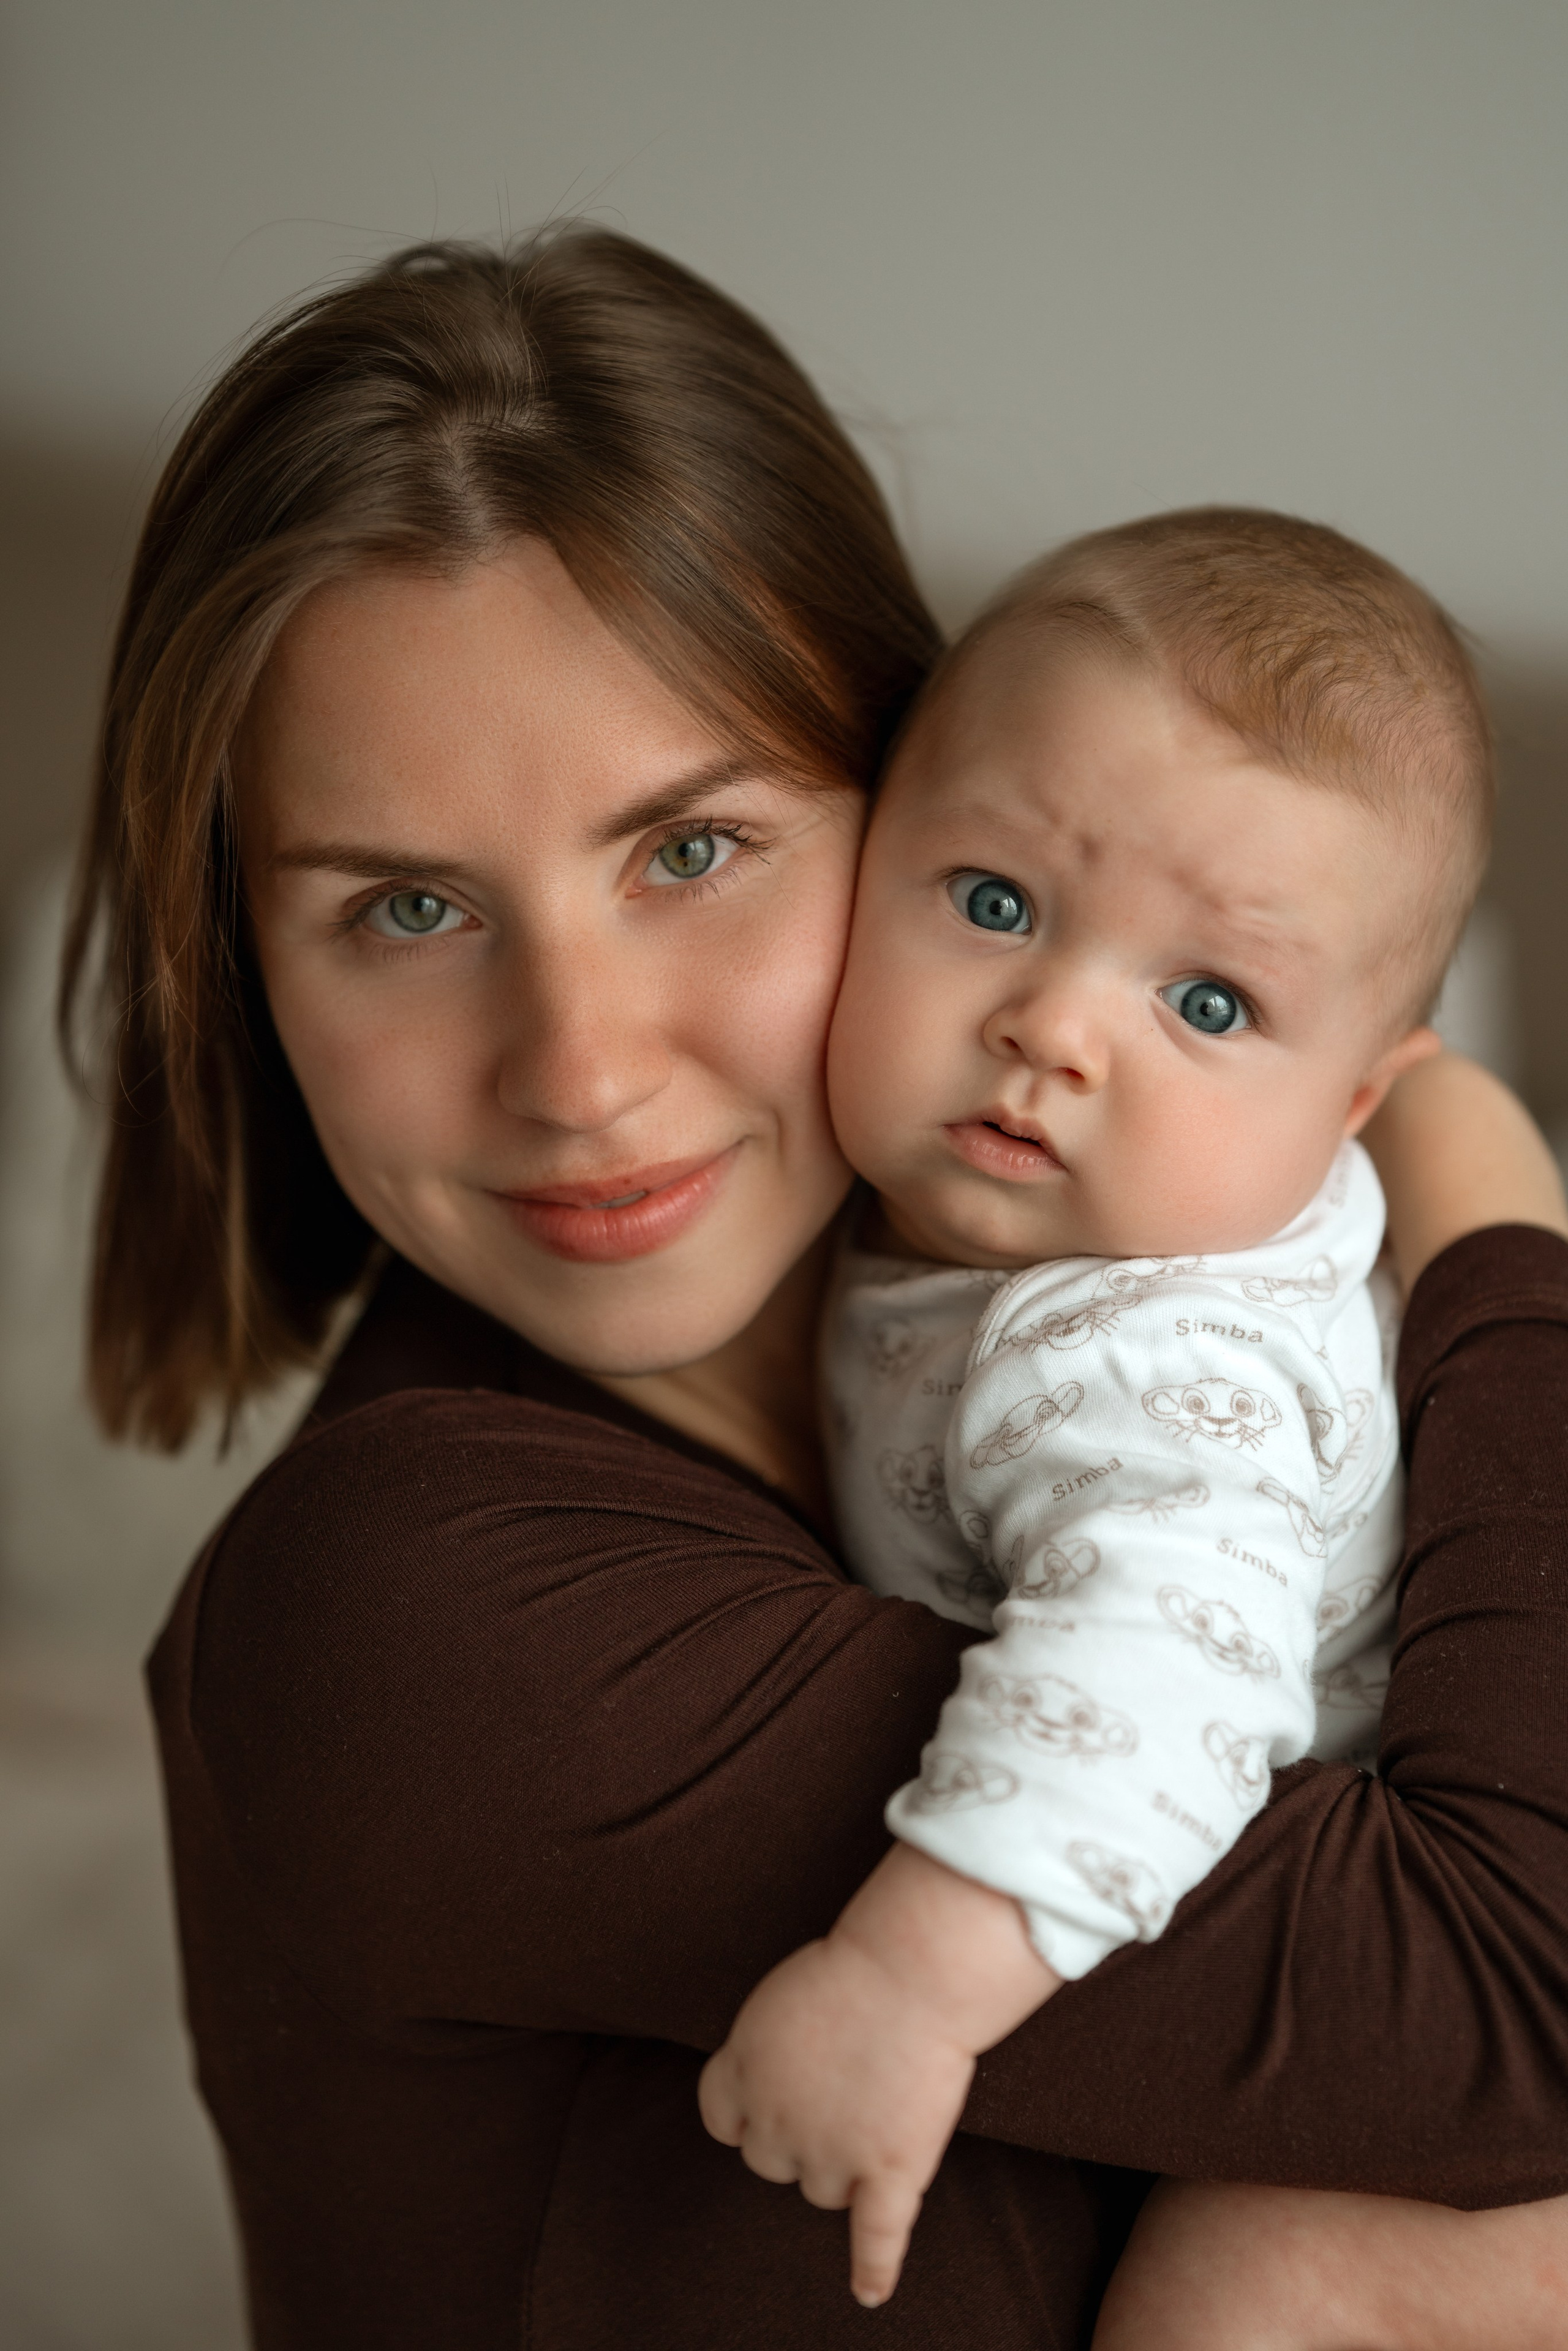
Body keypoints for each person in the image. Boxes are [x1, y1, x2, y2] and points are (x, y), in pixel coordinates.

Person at [61, 227, 1568, 2349]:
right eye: (406, 907)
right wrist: (1490, 1201)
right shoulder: (417, 1614)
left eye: (688, 851)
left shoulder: (1035, 1331)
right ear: (246, 967)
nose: (580, 1073)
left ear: (913, 787)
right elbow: (1522, 1988)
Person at [699, 508, 1568, 2341]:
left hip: (1500, 2027)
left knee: (1245, 2286)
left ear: (1354, 1105)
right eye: (997, 902)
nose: (1056, 1028)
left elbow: (1154, 1677)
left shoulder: (1153, 1361)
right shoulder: (908, 1216)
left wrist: (908, 1989)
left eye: (1208, 1000)